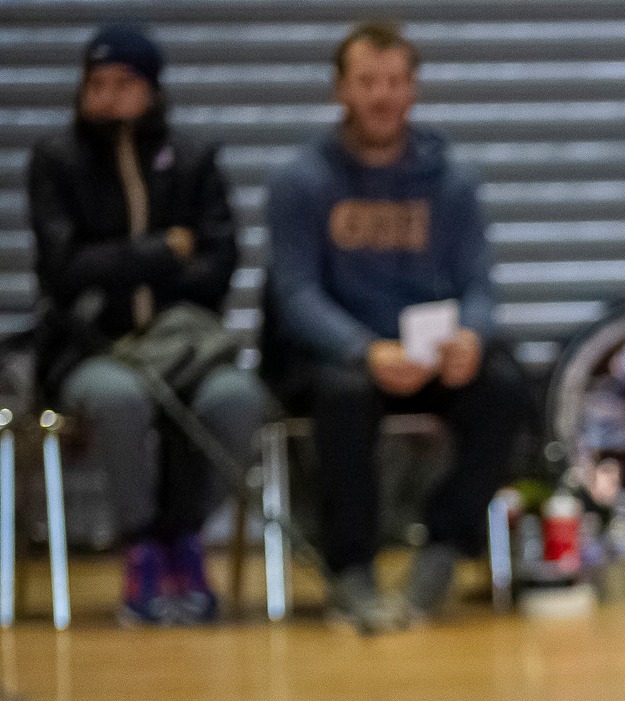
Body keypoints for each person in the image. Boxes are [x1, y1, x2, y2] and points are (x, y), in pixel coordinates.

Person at [264, 20, 527, 633]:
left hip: (428, 355)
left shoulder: (452, 181)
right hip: (337, 358)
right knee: (345, 396)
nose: (381, 96)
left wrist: (471, 336)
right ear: (340, 90)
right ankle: (351, 570)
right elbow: (295, 295)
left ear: (413, 89)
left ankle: (443, 547)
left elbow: (479, 284)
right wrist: (363, 350)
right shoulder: (301, 181)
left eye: (393, 82)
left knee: (505, 389)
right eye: (366, 82)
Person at [27, 23, 265, 626]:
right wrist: (163, 250)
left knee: (237, 399)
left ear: (153, 89)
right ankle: (141, 549)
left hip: (185, 348)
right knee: (120, 398)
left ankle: (185, 537)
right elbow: (62, 271)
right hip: (93, 348)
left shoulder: (194, 158)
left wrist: (111, 261)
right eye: (97, 83)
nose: (108, 95)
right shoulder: (57, 161)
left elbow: (218, 268)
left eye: (124, 82)